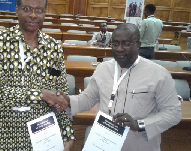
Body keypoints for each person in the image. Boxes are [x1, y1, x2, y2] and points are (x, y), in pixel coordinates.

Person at [0, 0, 75, 150]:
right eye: (27, 9)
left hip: (43, 135)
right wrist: (41, 94)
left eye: (39, 10)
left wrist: (67, 133)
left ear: (45, 13)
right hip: (4, 132)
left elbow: (61, 97)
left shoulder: (53, 47)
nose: (33, 15)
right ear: (17, 10)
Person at [63, 23, 181, 151]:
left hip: (139, 145)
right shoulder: (103, 68)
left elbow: (173, 113)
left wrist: (139, 125)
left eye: (126, 44)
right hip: (103, 143)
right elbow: (87, 99)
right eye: (115, 44)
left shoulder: (159, 74)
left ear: (138, 45)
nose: (119, 48)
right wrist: (67, 101)